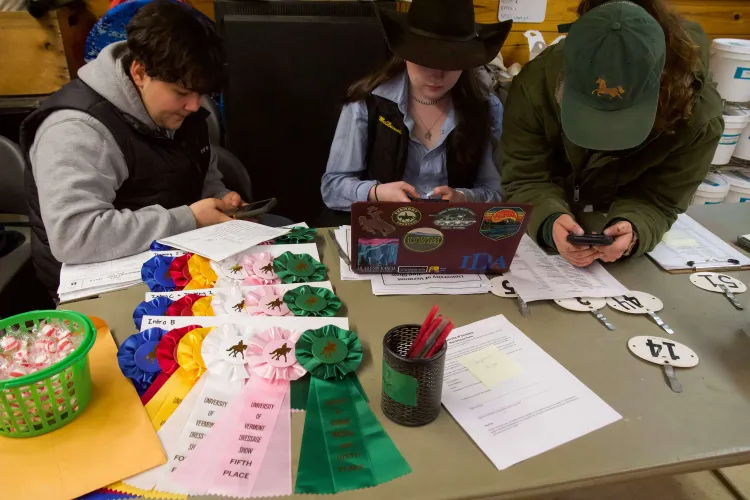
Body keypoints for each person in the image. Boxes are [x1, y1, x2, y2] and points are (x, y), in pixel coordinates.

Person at [20, 0, 243, 297]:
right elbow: (75, 236)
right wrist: (190, 218)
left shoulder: (181, 112)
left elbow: (204, 176)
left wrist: (218, 200)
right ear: (139, 72)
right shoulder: (77, 130)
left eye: (201, 94)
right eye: (182, 93)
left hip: (174, 259)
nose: (194, 105)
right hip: (101, 284)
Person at [501, 0, 722, 267]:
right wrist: (548, 221)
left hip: (620, 249)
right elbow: (524, 178)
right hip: (551, 239)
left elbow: (661, 199)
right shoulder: (535, 86)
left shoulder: (695, 114)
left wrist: (635, 228)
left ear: (662, 79)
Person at [320, 0, 512, 220]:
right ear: (406, 54)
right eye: (425, 60)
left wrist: (463, 197)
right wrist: (377, 193)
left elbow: (496, 192)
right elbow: (333, 188)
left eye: (451, 63)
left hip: (452, 234)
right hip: (381, 231)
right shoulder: (366, 104)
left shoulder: (486, 108)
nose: (436, 75)